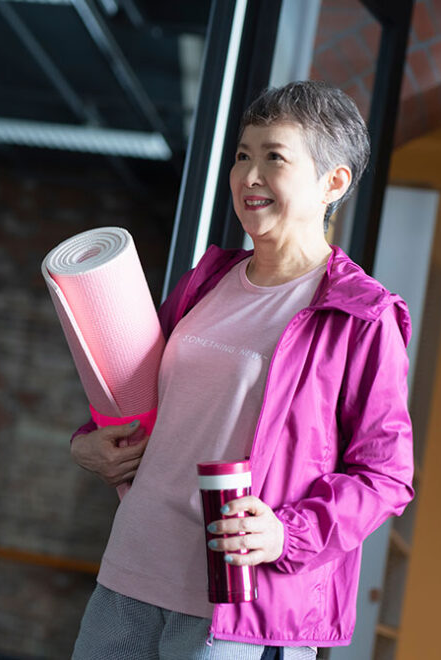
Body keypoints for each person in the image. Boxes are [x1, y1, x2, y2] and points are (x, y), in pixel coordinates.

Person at [69, 80, 415, 660]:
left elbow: (386, 477)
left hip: (237, 611)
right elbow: (150, 399)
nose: (248, 176)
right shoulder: (207, 280)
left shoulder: (363, 315)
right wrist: (89, 444)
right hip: (130, 573)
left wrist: (287, 533)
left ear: (333, 182)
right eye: (242, 155)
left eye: (273, 157)